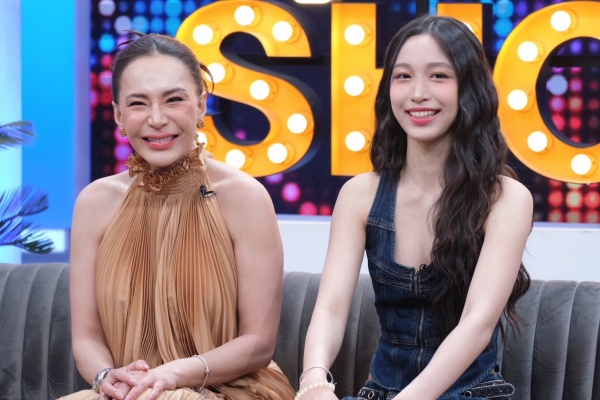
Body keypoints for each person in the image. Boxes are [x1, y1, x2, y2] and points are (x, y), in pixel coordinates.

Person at [298, 15, 532, 400]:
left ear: (469, 88)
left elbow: (477, 324)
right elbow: (331, 308)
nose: (418, 93)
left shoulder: (505, 199)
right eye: (403, 76)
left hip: (470, 393)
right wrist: (314, 381)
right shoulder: (359, 195)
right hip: (380, 391)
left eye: (438, 76)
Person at [62, 33, 295, 400]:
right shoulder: (95, 202)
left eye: (174, 99)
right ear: (119, 115)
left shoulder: (243, 196)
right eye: (138, 103)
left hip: (230, 390)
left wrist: (173, 375)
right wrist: (107, 375)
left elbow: (258, 344)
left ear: (201, 105)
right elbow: (86, 338)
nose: (157, 119)